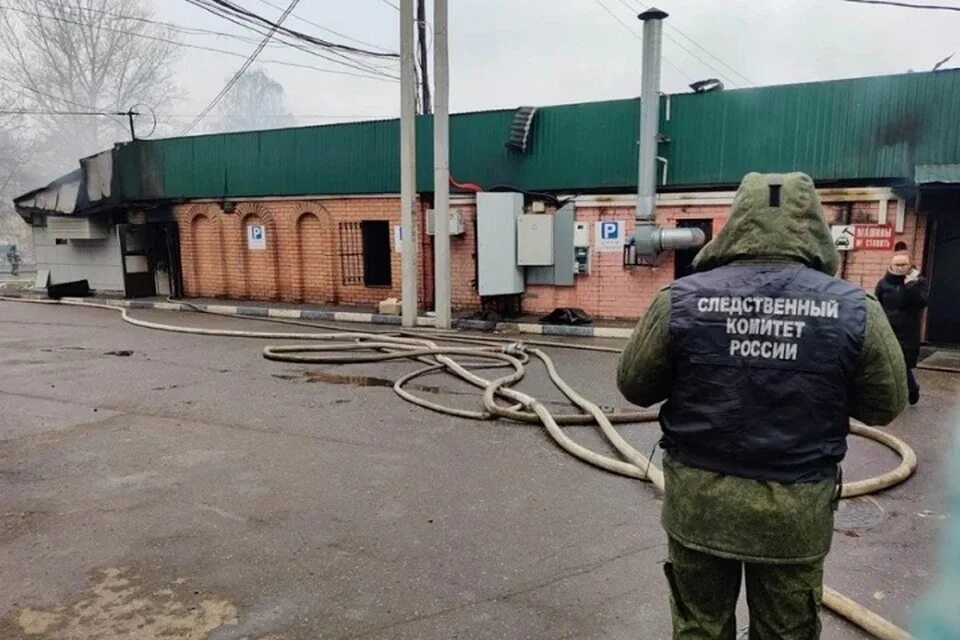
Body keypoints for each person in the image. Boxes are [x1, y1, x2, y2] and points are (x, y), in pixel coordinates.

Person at [617, 172, 907, 640]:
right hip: (794, 515)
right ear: (812, 224)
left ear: (738, 222)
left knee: (700, 629)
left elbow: (635, 387)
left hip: (700, 507)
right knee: (786, 632)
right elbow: (884, 406)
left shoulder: (682, 300)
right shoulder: (855, 309)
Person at [876, 250, 928, 405]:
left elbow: (922, 301)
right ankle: (889, 395)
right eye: (897, 264)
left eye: (903, 264)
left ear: (910, 264)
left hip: (908, 331)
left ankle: (912, 390)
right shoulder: (884, 283)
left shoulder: (918, 282)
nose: (900, 268)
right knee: (887, 363)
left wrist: (910, 286)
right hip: (887, 329)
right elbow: (877, 304)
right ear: (891, 265)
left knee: (902, 364)